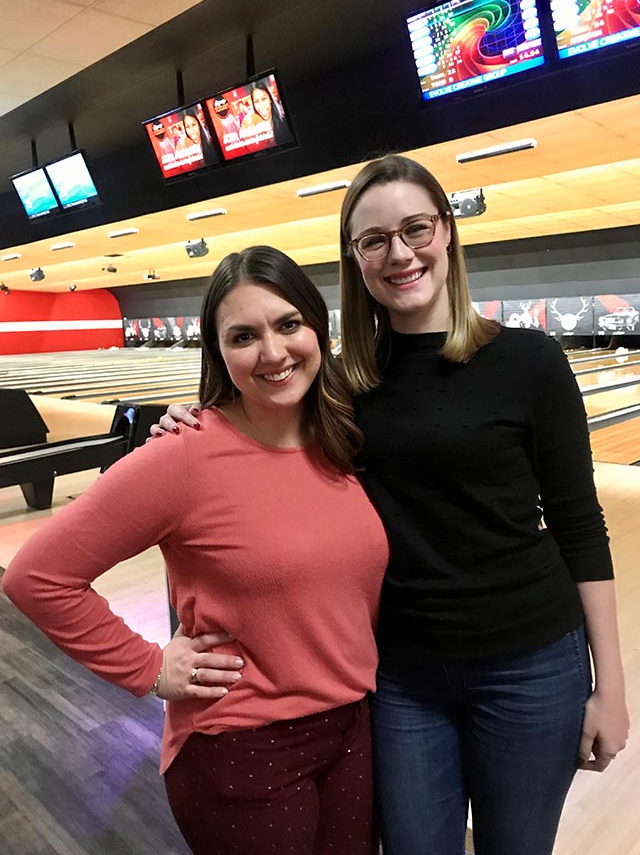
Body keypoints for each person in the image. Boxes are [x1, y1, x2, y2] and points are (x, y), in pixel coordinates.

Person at [151, 154, 629, 855]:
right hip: (401, 676)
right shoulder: (336, 385)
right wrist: (198, 419)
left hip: (532, 666)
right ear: (356, 258)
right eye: (374, 240)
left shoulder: (533, 362)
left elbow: (582, 529)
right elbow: (259, 453)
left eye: (416, 228)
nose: (399, 253)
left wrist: (611, 687)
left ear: (448, 232)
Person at [2, 246, 389, 855]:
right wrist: (148, 667)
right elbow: (37, 576)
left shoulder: (344, 438)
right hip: (243, 746)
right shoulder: (182, 454)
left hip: (353, 732)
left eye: (288, 324)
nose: (273, 353)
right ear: (217, 352)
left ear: (318, 327)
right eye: (243, 336)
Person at [250, 81, 293, 146]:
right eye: (256, 101)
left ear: (270, 100)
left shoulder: (285, 125)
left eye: (264, 99)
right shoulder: (253, 136)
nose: (261, 105)